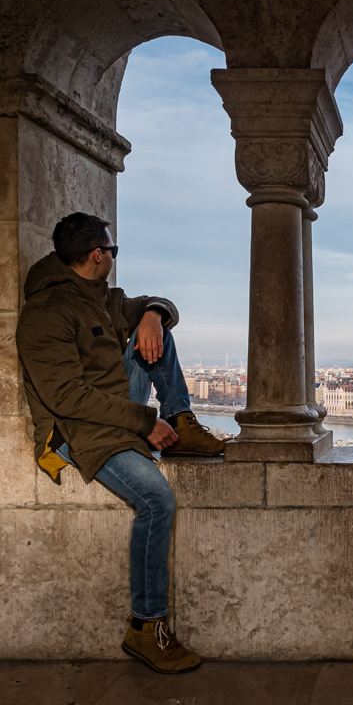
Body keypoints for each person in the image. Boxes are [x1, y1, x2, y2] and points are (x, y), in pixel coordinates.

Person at [16, 212, 228, 673]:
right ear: (98, 255)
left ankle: (183, 420)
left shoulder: (104, 298)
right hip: (79, 430)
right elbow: (65, 396)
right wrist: (142, 422)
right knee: (156, 499)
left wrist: (153, 314)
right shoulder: (45, 314)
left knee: (157, 331)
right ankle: (146, 626)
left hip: (114, 407)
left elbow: (159, 303)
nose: (113, 257)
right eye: (112, 251)